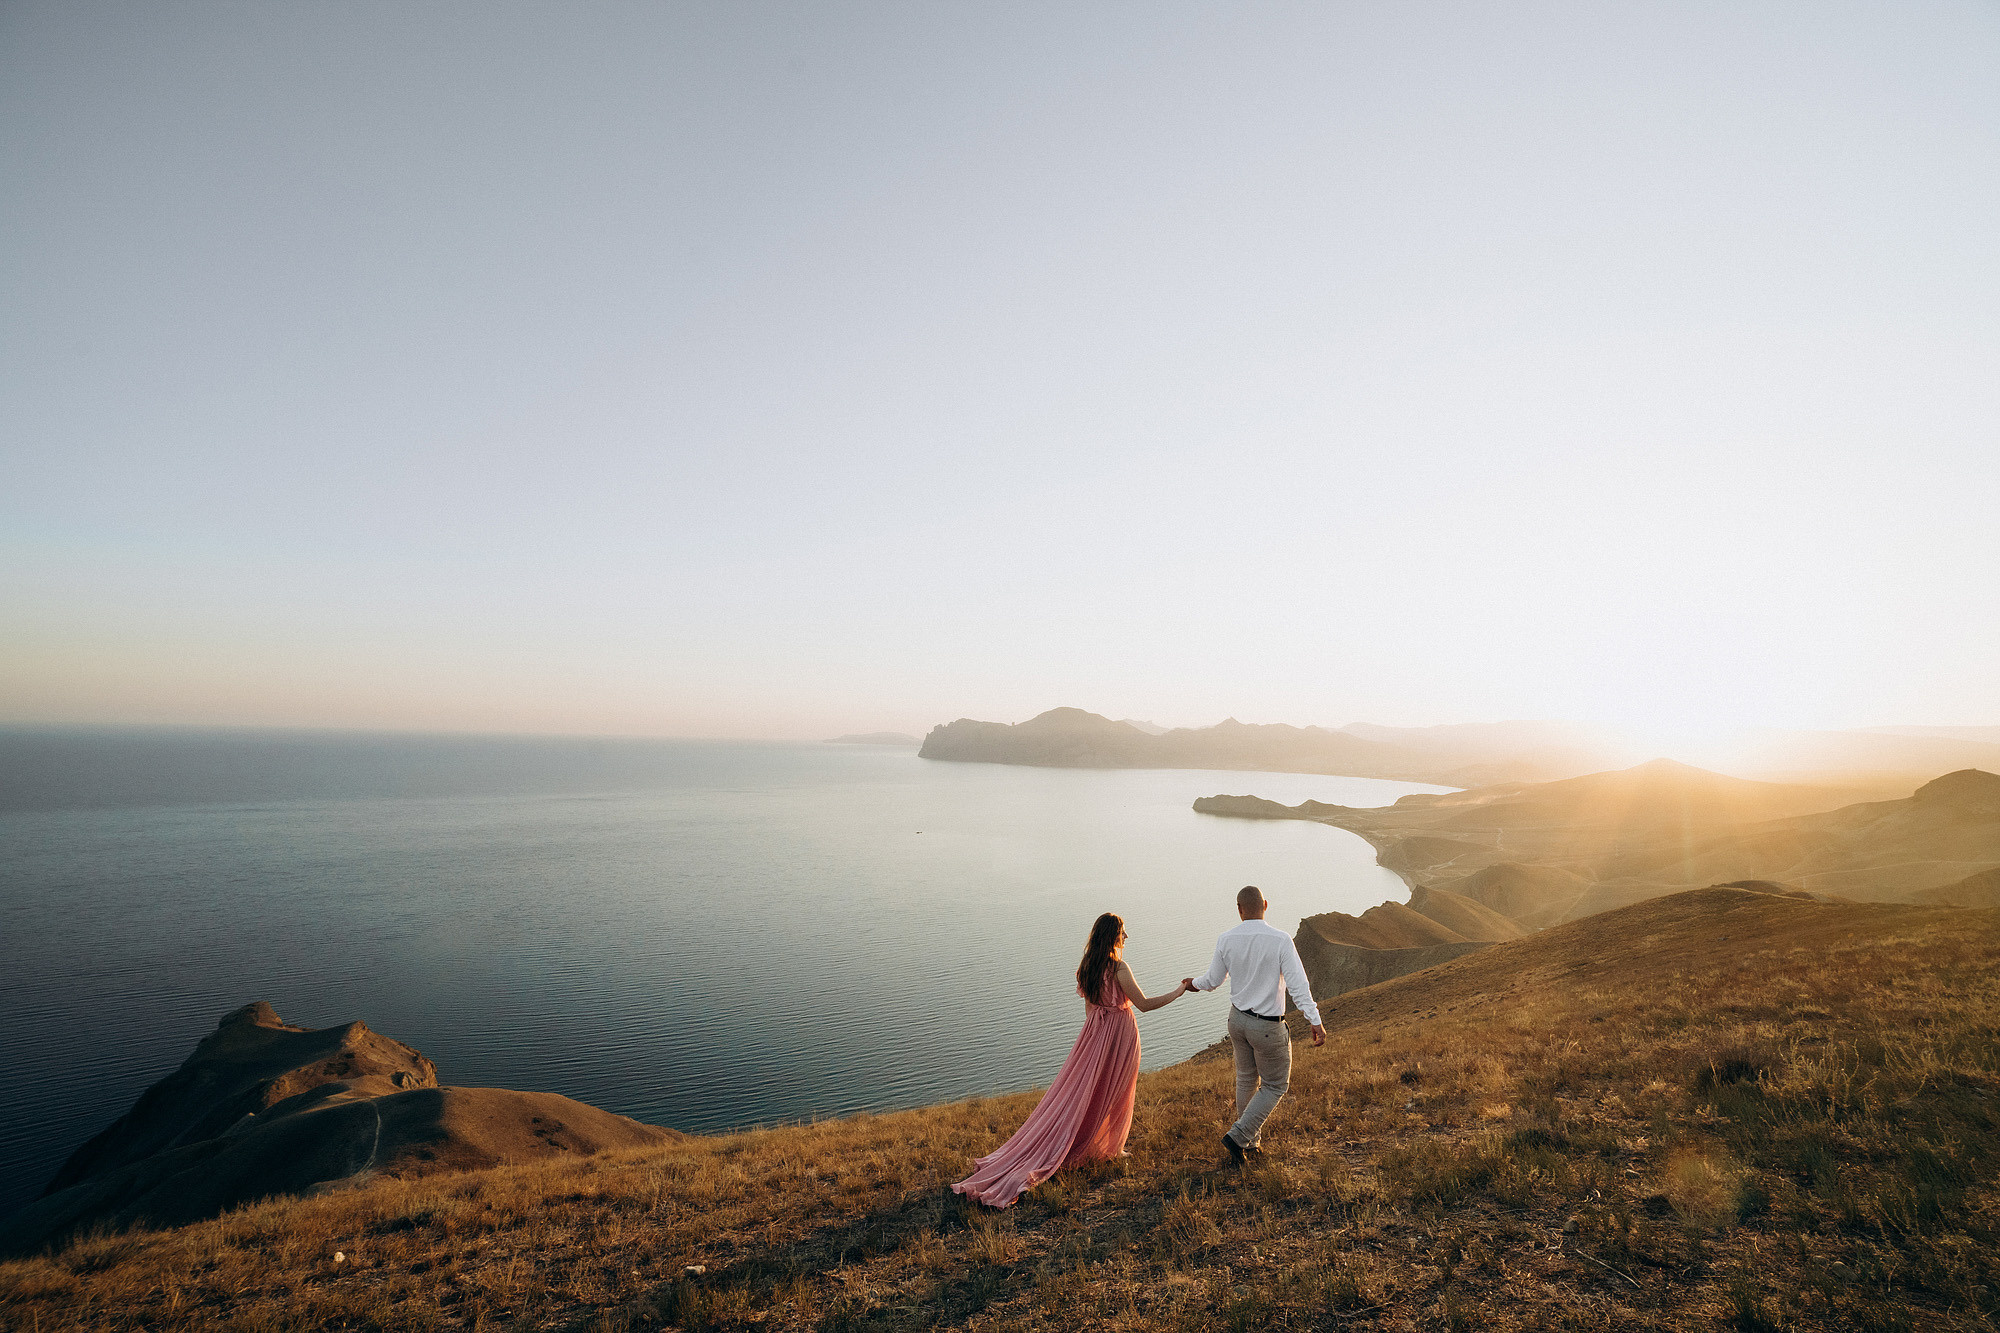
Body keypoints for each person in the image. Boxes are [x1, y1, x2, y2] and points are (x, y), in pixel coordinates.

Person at [953, 912, 1185, 1208]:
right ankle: (1111, 1147)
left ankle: (1106, 1144)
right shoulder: (1118, 968)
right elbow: (1145, 1005)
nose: (1126, 937)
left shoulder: (1087, 965)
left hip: (1094, 1034)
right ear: (1112, 935)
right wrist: (1180, 990)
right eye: (1123, 932)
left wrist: (1093, 1041)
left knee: (1089, 1090)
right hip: (1119, 1035)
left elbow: (1090, 1009)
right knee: (1116, 1091)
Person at [1182, 885, 1325, 1166]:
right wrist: (1314, 1019)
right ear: (1266, 905)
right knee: (1275, 1085)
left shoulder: (1226, 938)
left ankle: (1249, 1142)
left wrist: (1192, 985)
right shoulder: (1281, 940)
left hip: (1237, 1021)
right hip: (1268, 1027)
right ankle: (1239, 1136)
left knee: (1247, 1080)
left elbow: (1211, 980)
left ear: (1239, 909)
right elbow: (1298, 986)